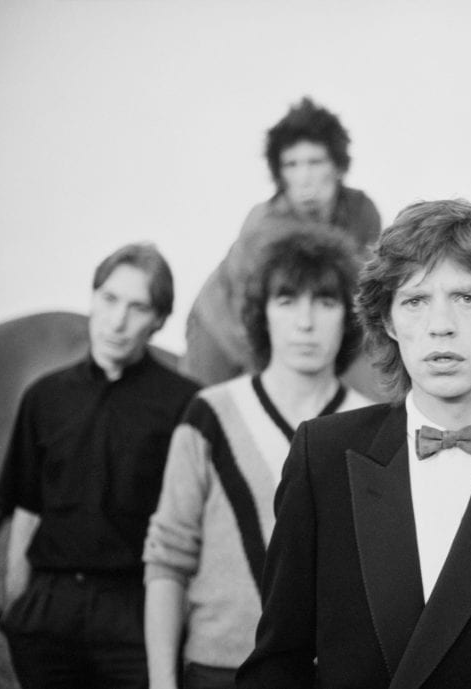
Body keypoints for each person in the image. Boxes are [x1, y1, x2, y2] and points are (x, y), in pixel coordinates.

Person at [236, 199, 471, 689]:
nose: (441, 325)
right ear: (389, 322)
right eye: (416, 300)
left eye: (466, 297)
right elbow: (277, 661)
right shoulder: (324, 456)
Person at [142, 230, 372, 689]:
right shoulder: (209, 413)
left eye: (325, 302)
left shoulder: (373, 428)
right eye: (286, 301)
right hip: (216, 668)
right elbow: (168, 560)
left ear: (349, 317)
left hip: (332, 674)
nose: (305, 322)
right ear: (261, 314)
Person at [0, 243, 200, 689]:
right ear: (92, 298)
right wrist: (17, 606)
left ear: (159, 320)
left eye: (137, 307)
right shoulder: (44, 397)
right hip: (48, 610)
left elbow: (195, 523)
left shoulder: (185, 404)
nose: (117, 320)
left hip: (133, 609)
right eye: (108, 299)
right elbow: (27, 506)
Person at [182, 96, 381, 385]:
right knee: (206, 412)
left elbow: (363, 297)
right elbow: (251, 314)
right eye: (292, 164)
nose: (304, 177)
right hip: (219, 325)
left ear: (337, 166)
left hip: (300, 329)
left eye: (315, 162)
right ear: (279, 173)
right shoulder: (264, 226)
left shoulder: (362, 211)